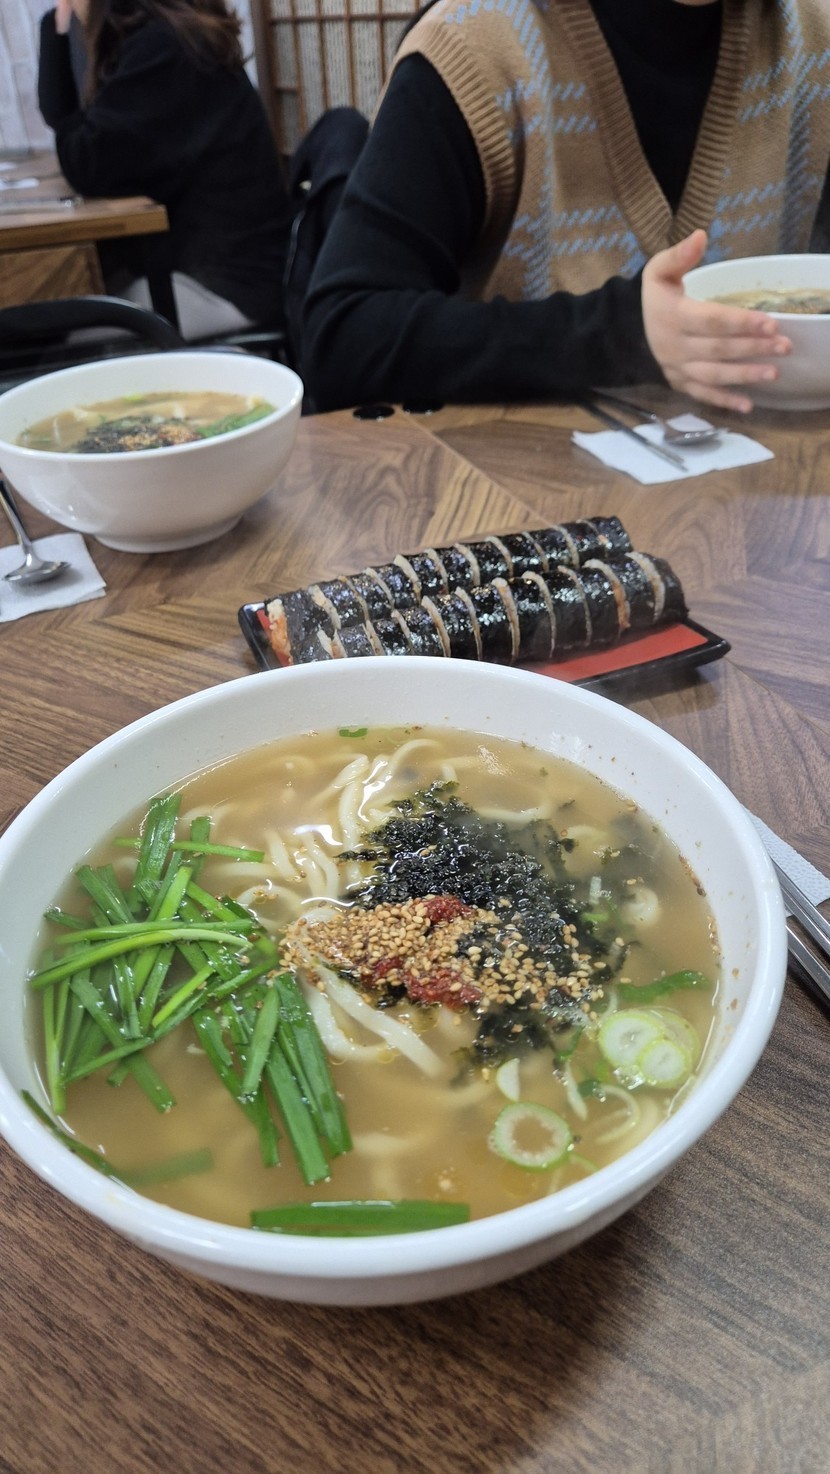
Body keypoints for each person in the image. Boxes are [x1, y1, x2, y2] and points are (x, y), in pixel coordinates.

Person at [300, 0, 830, 413]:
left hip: (771, 489)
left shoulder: (814, 36)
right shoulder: (476, 45)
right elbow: (343, 336)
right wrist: (617, 332)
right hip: (518, 494)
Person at [38, 0, 292, 340]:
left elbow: (86, 163)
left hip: (229, 285)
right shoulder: (170, 35)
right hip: (211, 268)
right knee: (58, 312)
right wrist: (58, 24)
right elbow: (75, 132)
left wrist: (61, 26)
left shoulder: (165, 47)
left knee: (55, 337)